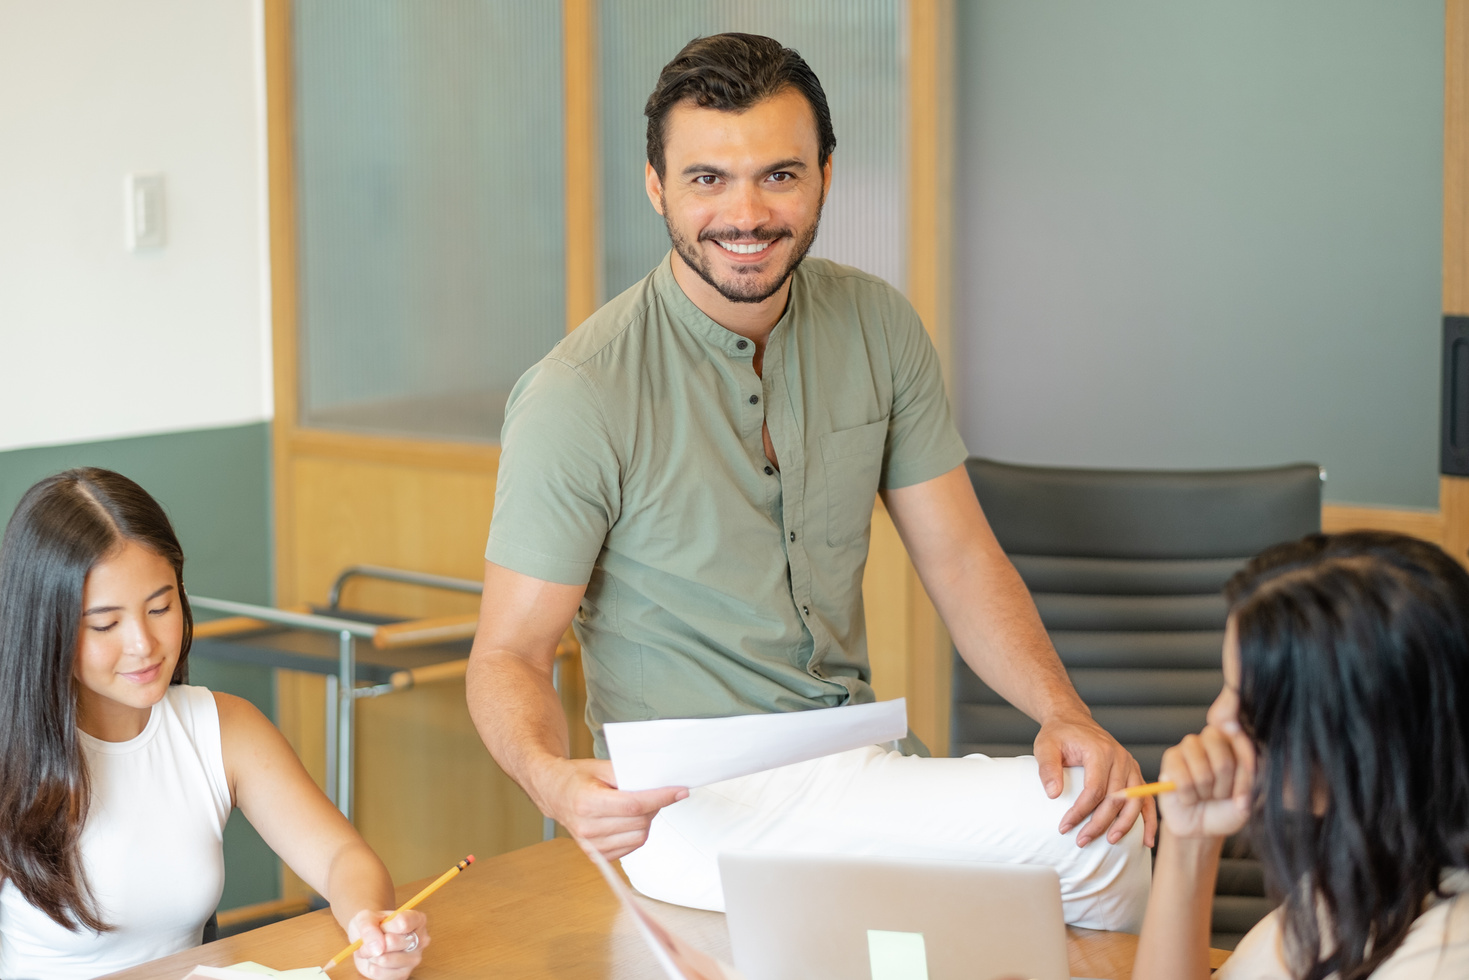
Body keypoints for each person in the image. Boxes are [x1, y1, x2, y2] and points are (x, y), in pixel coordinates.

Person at [466, 33, 1152, 929]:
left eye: (778, 176)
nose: (744, 213)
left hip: (857, 756)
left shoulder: (877, 325)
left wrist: (1064, 713)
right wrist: (554, 781)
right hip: (688, 801)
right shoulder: (578, 392)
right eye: (707, 178)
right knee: (1090, 839)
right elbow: (508, 654)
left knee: (1095, 813)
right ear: (655, 185)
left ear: (825, 175)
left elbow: (958, 558)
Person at [0, 469, 429, 980]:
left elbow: (341, 856)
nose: (144, 643)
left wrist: (370, 923)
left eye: (160, 607)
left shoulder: (225, 728)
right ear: (45, 626)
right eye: (106, 624)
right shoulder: (10, 756)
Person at [1133, 531, 1469, 979]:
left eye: (1249, 707)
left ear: (1357, 738)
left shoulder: (1441, 957)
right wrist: (1189, 842)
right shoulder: (1375, 865)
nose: (1217, 717)